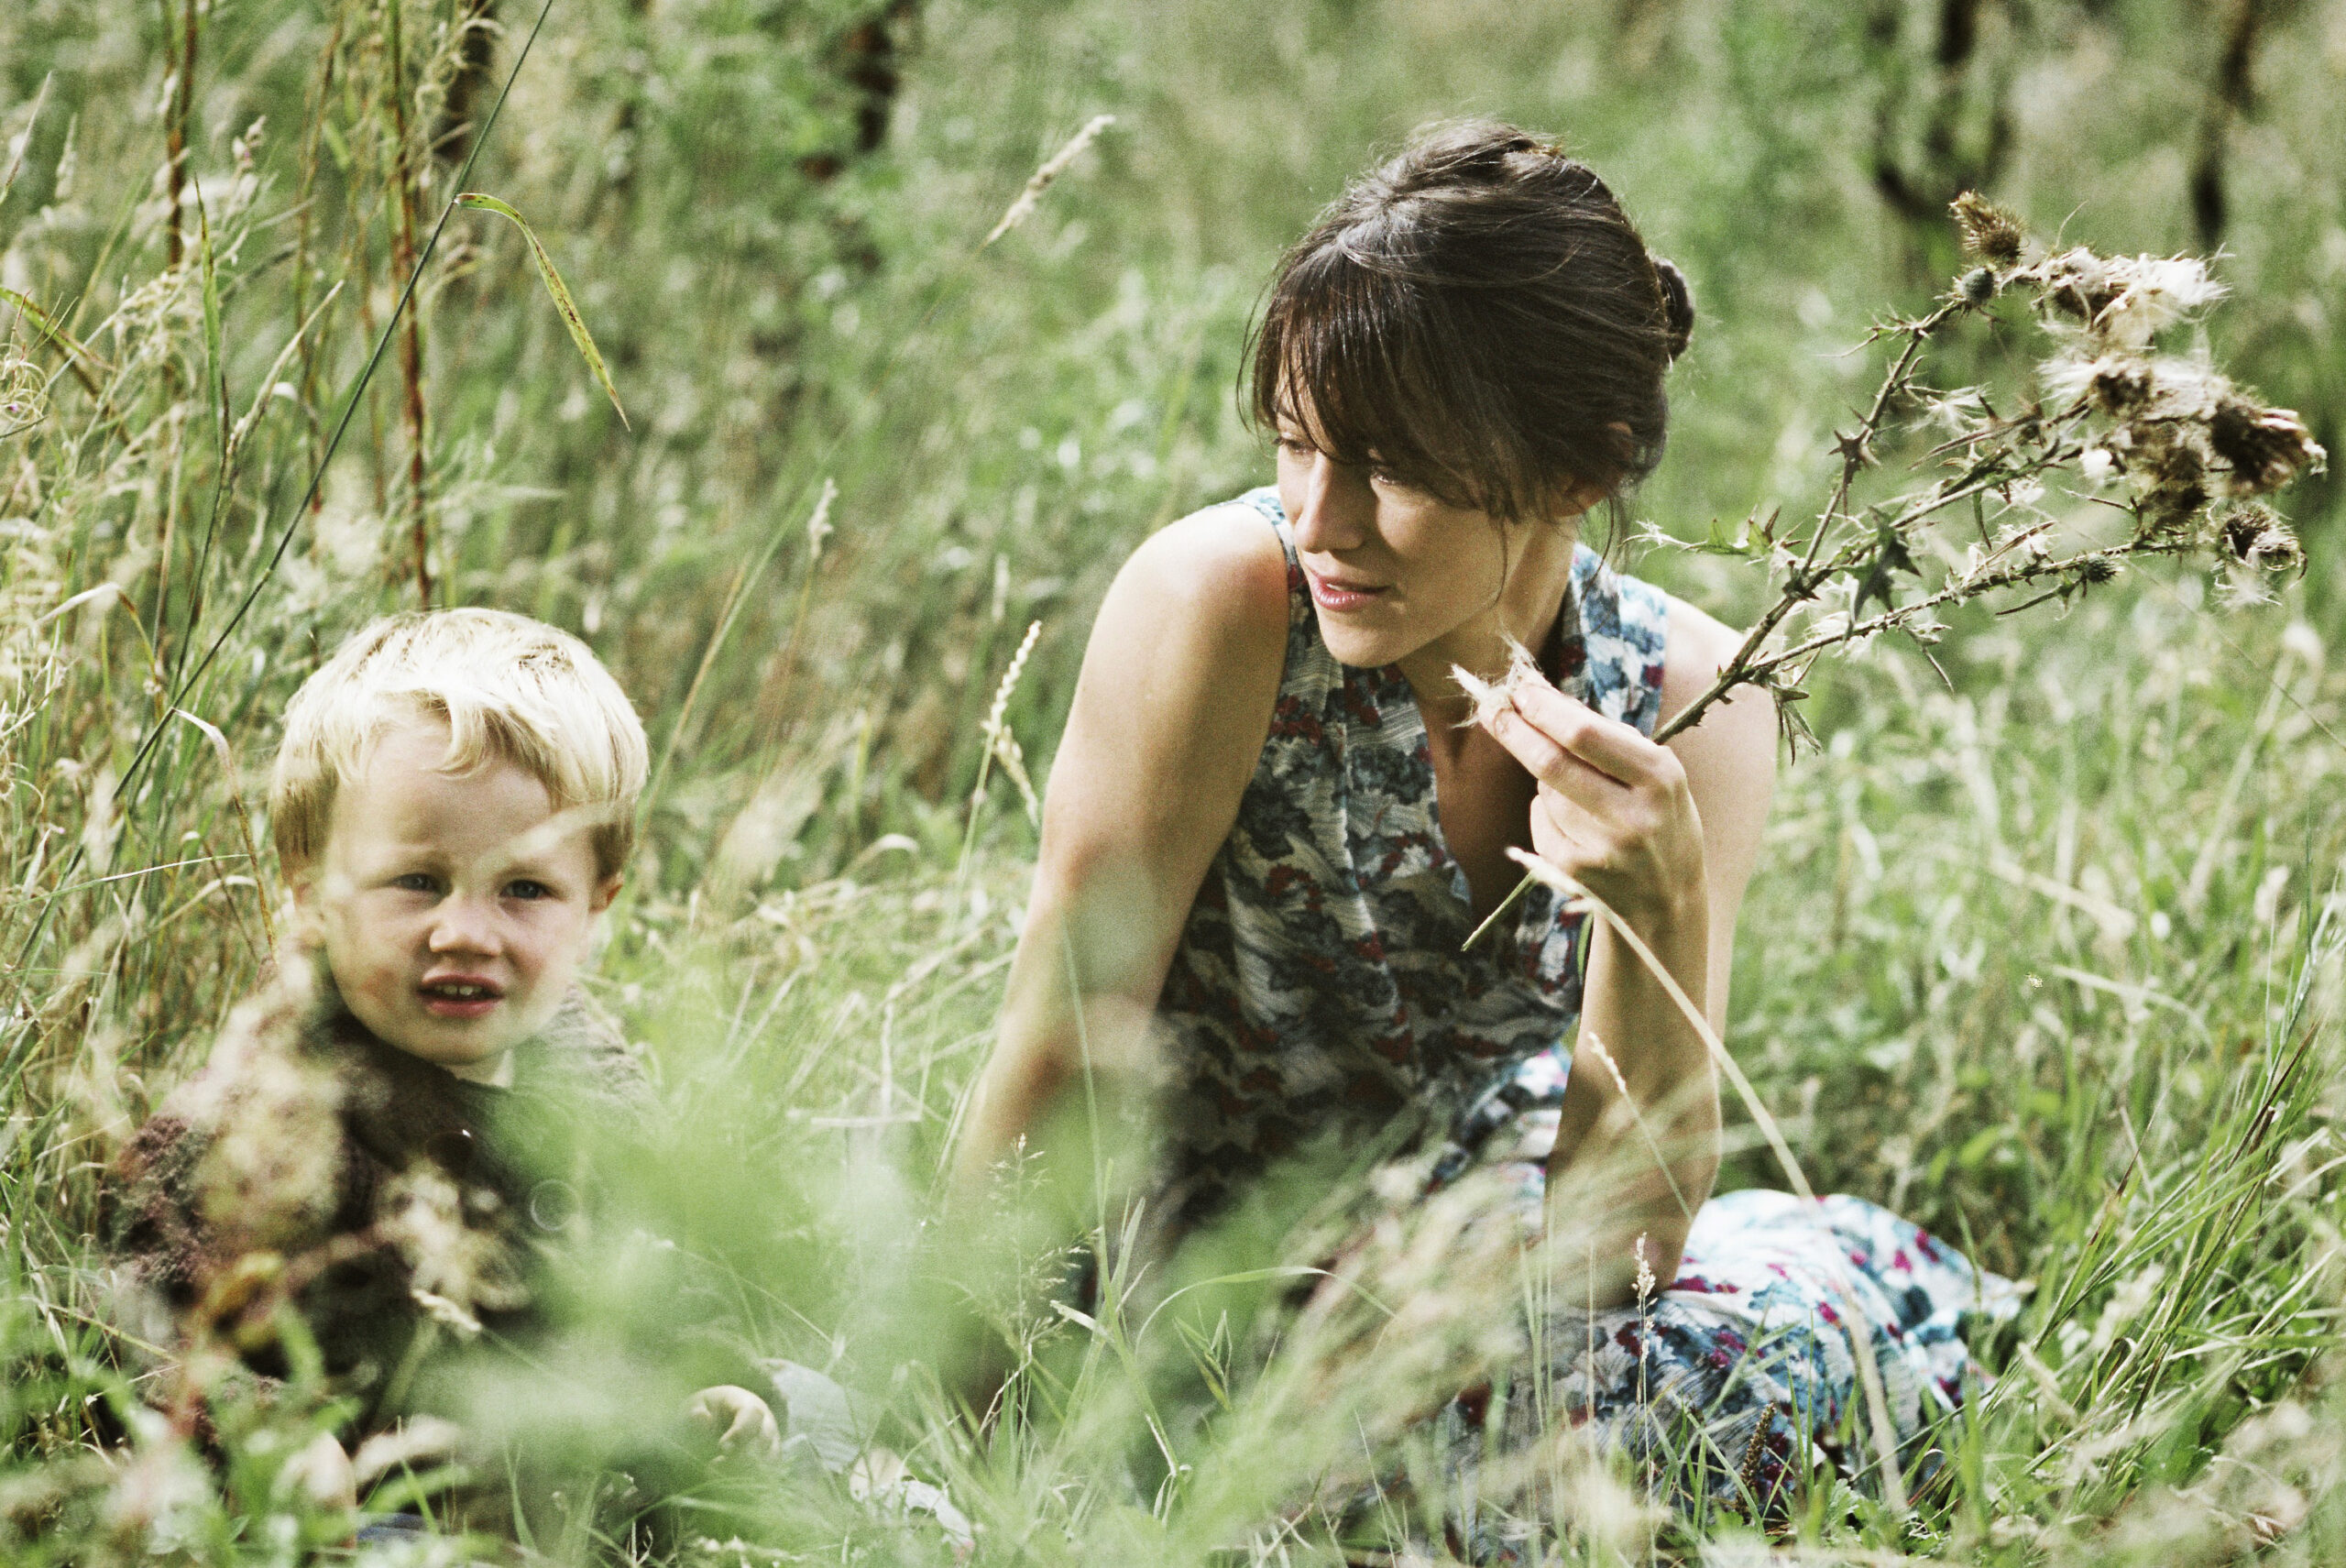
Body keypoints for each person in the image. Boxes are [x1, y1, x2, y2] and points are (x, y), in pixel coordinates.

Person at [955, 122, 2013, 1548]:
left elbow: (1623, 1256)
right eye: (1293, 442)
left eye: (1389, 466)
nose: (1319, 517)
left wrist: (1661, 909)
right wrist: (957, 1414)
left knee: (1739, 1354)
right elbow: (1059, 1044)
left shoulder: (1690, 701)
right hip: (1177, 1316)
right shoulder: (1224, 605)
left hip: (1477, 1320)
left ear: (1580, 468)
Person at [110, 609, 782, 1534]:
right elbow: (147, 1319)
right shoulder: (266, 1109)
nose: (465, 932)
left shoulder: (595, 1094)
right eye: (416, 881)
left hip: (569, 1480)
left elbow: (656, 1278)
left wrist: (708, 1379)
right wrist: (265, 1436)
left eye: (524, 890)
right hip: (384, 1502)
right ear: (312, 898)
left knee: (810, 1410)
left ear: (594, 908)